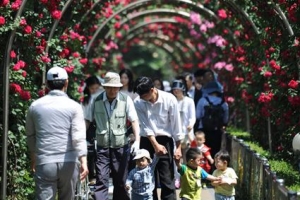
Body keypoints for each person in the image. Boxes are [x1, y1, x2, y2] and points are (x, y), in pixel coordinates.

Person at [25, 66, 88, 199]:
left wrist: (33, 157)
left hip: (45, 161)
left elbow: (30, 135)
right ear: (66, 82)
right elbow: (78, 137)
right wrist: (84, 161)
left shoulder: (35, 106)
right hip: (69, 162)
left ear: (47, 84)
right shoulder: (74, 106)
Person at [85, 72, 140, 200]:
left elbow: (134, 120)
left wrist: (137, 140)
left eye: (115, 87)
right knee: (101, 180)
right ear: (104, 87)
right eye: (109, 87)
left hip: (121, 146)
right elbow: (87, 120)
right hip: (102, 146)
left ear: (119, 87)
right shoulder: (96, 100)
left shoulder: (126, 100)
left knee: (120, 181)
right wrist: (82, 139)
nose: (112, 90)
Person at [134, 76, 183, 200]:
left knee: (167, 177)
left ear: (152, 90)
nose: (141, 98)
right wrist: (155, 145)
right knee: (147, 177)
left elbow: (176, 125)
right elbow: (145, 126)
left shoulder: (169, 99)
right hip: (147, 140)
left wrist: (178, 148)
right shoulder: (138, 102)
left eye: (143, 95)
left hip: (165, 139)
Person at [196, 81, 229, 158]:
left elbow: (198, 116)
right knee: (215, 151)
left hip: (203, 131)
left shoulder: (202, 100)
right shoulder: (223, 103)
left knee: (204, 151)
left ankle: (205, 168)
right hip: (217, 131)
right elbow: (225, 119)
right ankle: (214, 167)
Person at [82, 76, 102, 183]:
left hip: (90, 127)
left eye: (96, 88)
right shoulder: (84, 98)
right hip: (83, 125)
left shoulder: (95, 97)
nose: (94, 90)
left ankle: (91, 176)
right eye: (92, 88)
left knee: (91, 152)